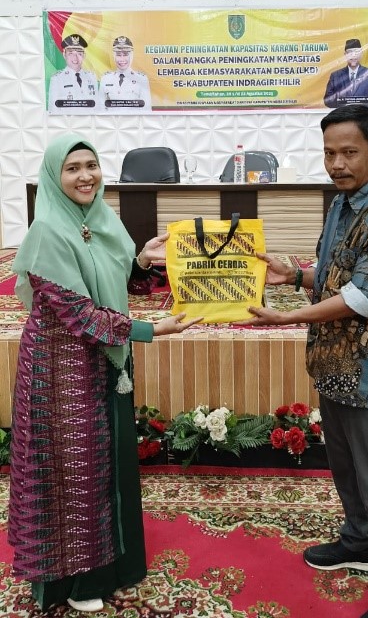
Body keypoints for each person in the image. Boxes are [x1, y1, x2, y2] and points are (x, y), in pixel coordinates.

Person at [8, 133, 201, 613]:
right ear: (54, 176)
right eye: (72, 168)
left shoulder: (101, 219)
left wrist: (141, 259)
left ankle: (114, 564)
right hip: (61, 369)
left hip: (105, 360)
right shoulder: (47, 231)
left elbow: (114, 279)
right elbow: (80, 315)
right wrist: (151, 329)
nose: (85, 176)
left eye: (91, 165)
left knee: (105, 463)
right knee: (74, 470)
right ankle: (75, 582)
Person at [242, 104, 368, 618]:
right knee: (344, 466)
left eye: (349, 153)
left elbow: (362, 298)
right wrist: (297, 275)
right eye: (328, 153)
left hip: (367, 371)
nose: (337, 164)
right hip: (331, 363)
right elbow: (338, 273)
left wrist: (287, 316)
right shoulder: (342, 203)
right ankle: (359, 543)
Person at [323, 38, 368, 109]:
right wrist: (344, 106)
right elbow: (328, 99)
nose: (353, 55)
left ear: (361, 54)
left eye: (356, 52)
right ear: (345, 55)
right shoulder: (335, 76)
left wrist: (361, 108)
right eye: (350, 52)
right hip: (343, 114)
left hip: (363, 114)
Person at [99, 36, 152, 114]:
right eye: (118, 55)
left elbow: (146, 111)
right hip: (111, 121)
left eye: (125, 54)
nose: (122, 59)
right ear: (114, 56)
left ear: (131, 55)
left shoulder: (141, 79)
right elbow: (100, 110)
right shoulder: (105, 79)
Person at [48, 34, 98, 114]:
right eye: (71, 53)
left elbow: (97, 107)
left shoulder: (91, 77)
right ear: (64, 55)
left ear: (84, 55)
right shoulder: (57, 79)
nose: (75, 58)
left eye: (79, 53)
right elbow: (53, 110)